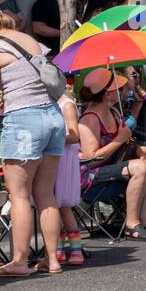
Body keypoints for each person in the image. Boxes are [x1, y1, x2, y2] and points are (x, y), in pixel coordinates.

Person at [0, 6, 66, 276]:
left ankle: (19, 261)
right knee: (45, 194)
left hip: (25, 123)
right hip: (53, 117)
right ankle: (52, 260)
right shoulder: (27, 39)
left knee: (19, 196)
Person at [78, 68, 146, 240]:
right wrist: (119, 139)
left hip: (113, 168)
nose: (123, 92)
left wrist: (137, 149)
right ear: (108, 94)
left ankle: (144, 221)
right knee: (140, 168)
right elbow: (91, 159)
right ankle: (131, 224)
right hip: (91, 177)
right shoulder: (89, 119)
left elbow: (127, 139)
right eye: (119, 90)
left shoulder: (114, 112)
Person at [54, 89, 85, 266]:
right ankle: (57, 249)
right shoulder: (51, 103)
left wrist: (52, 137)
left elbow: (74, 136)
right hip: (53, 156)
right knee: (52, 205)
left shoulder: (67, 104)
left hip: (63, 157)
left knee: (63, 206)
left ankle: (75, 249)